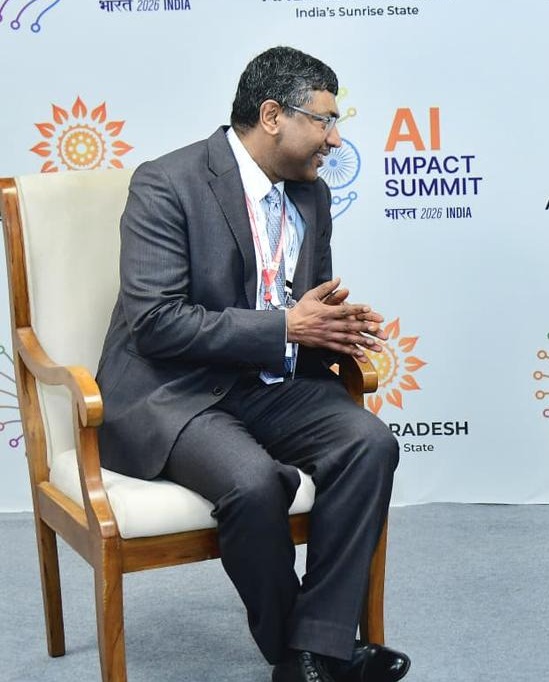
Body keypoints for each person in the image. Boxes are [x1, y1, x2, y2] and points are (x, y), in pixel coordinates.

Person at [96, 46, 410, 682]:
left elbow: (303, 305)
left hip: (270, 382)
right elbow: (155, 323)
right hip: (176, 392)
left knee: (369, 443)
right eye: (324, 120)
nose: (335, 138)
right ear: (273, 116)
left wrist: (333, 329)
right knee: (254, 483)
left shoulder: (312, 195)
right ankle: (298, 652)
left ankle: (315, 649)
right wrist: (286, 326)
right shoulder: (167, 183)